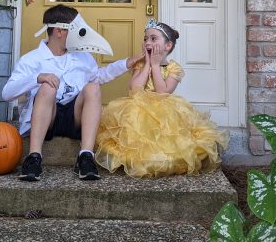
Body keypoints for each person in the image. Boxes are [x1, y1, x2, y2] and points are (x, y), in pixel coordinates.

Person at [2, 4, 142, 182]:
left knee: (92, 87)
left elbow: (98, 76)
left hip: (74, 116)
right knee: (47, 87)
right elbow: (7, 94)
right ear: (60, 31)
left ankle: (85, 156)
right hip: (46, 116)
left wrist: (126, 63)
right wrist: (37, 78)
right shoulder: (31, 59)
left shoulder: (82, 57)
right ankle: (34, 157)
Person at [95, 18, 229, 178]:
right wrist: (146, 64)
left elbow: (162, 92)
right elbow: (135, 89)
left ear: (168, 46)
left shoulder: (174, 68)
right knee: (136, 124)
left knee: (166, 138)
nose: (147, 42)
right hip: (138, 108)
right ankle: (138, 159)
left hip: (164, 110)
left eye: (153, 38)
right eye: (145, 39)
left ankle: (163, 160)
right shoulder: (139, 64)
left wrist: (156, 65)